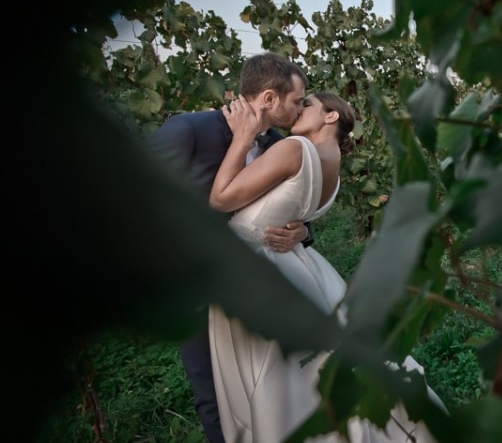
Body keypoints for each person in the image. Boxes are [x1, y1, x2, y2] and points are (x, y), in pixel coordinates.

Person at [208, 91, 443, 443]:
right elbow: (296, 206)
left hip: (263, 264)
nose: (298, 109)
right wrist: (301, 229)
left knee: (282, 382)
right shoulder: (331, 160)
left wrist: (242, 137)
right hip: (296, 263)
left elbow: (220, 199)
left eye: (308, 105)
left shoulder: (294, 149)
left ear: (331, 116)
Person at [145, 52, 314, 443]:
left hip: (258, 285)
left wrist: (301, 231)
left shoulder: (279, 146)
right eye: (296, 99)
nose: (301, 107)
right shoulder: (189, 129)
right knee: (213, 395)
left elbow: (289, 211)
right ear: (269, 98)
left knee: (264, 386)